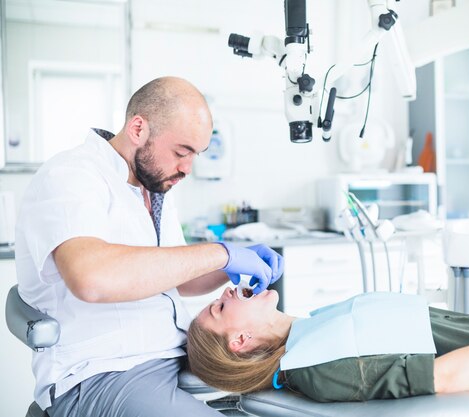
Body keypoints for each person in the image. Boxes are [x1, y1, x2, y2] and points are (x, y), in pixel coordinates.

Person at [15, 76, 284, 417]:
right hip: (104, 373)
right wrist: (220, 253)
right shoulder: (72, 176)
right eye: (181, 152)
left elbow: (176, 278)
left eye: (195, 155)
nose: (187, 168)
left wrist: (229, 266)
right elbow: (91, 278)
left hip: (169, 354)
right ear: (138, 128)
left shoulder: (152, 188)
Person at [186, 287, 469, 417]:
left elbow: (442, 328)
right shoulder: (318, 368)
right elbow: (448, 377)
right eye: (221, 307)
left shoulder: (314, 327)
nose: (226, 291)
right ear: (239, 342)